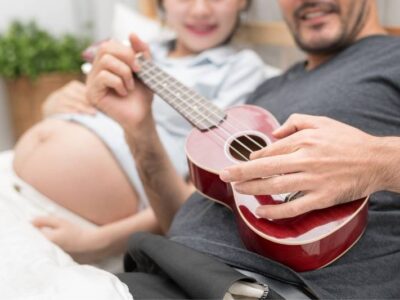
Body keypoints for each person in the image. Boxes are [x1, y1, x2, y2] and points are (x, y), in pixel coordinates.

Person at [85, 0, 400, 298]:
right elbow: (186, 216)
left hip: (277, 287)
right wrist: (140, 130)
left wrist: (378, 161)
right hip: (169, 268)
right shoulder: (263, 93)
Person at [10, 0, 277, 265]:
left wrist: (93, 242)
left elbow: (195, 201)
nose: (200, 10)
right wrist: (54, 107)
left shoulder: (242, 68)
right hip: (14, 184)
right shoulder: (141, 53)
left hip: (77, 226)